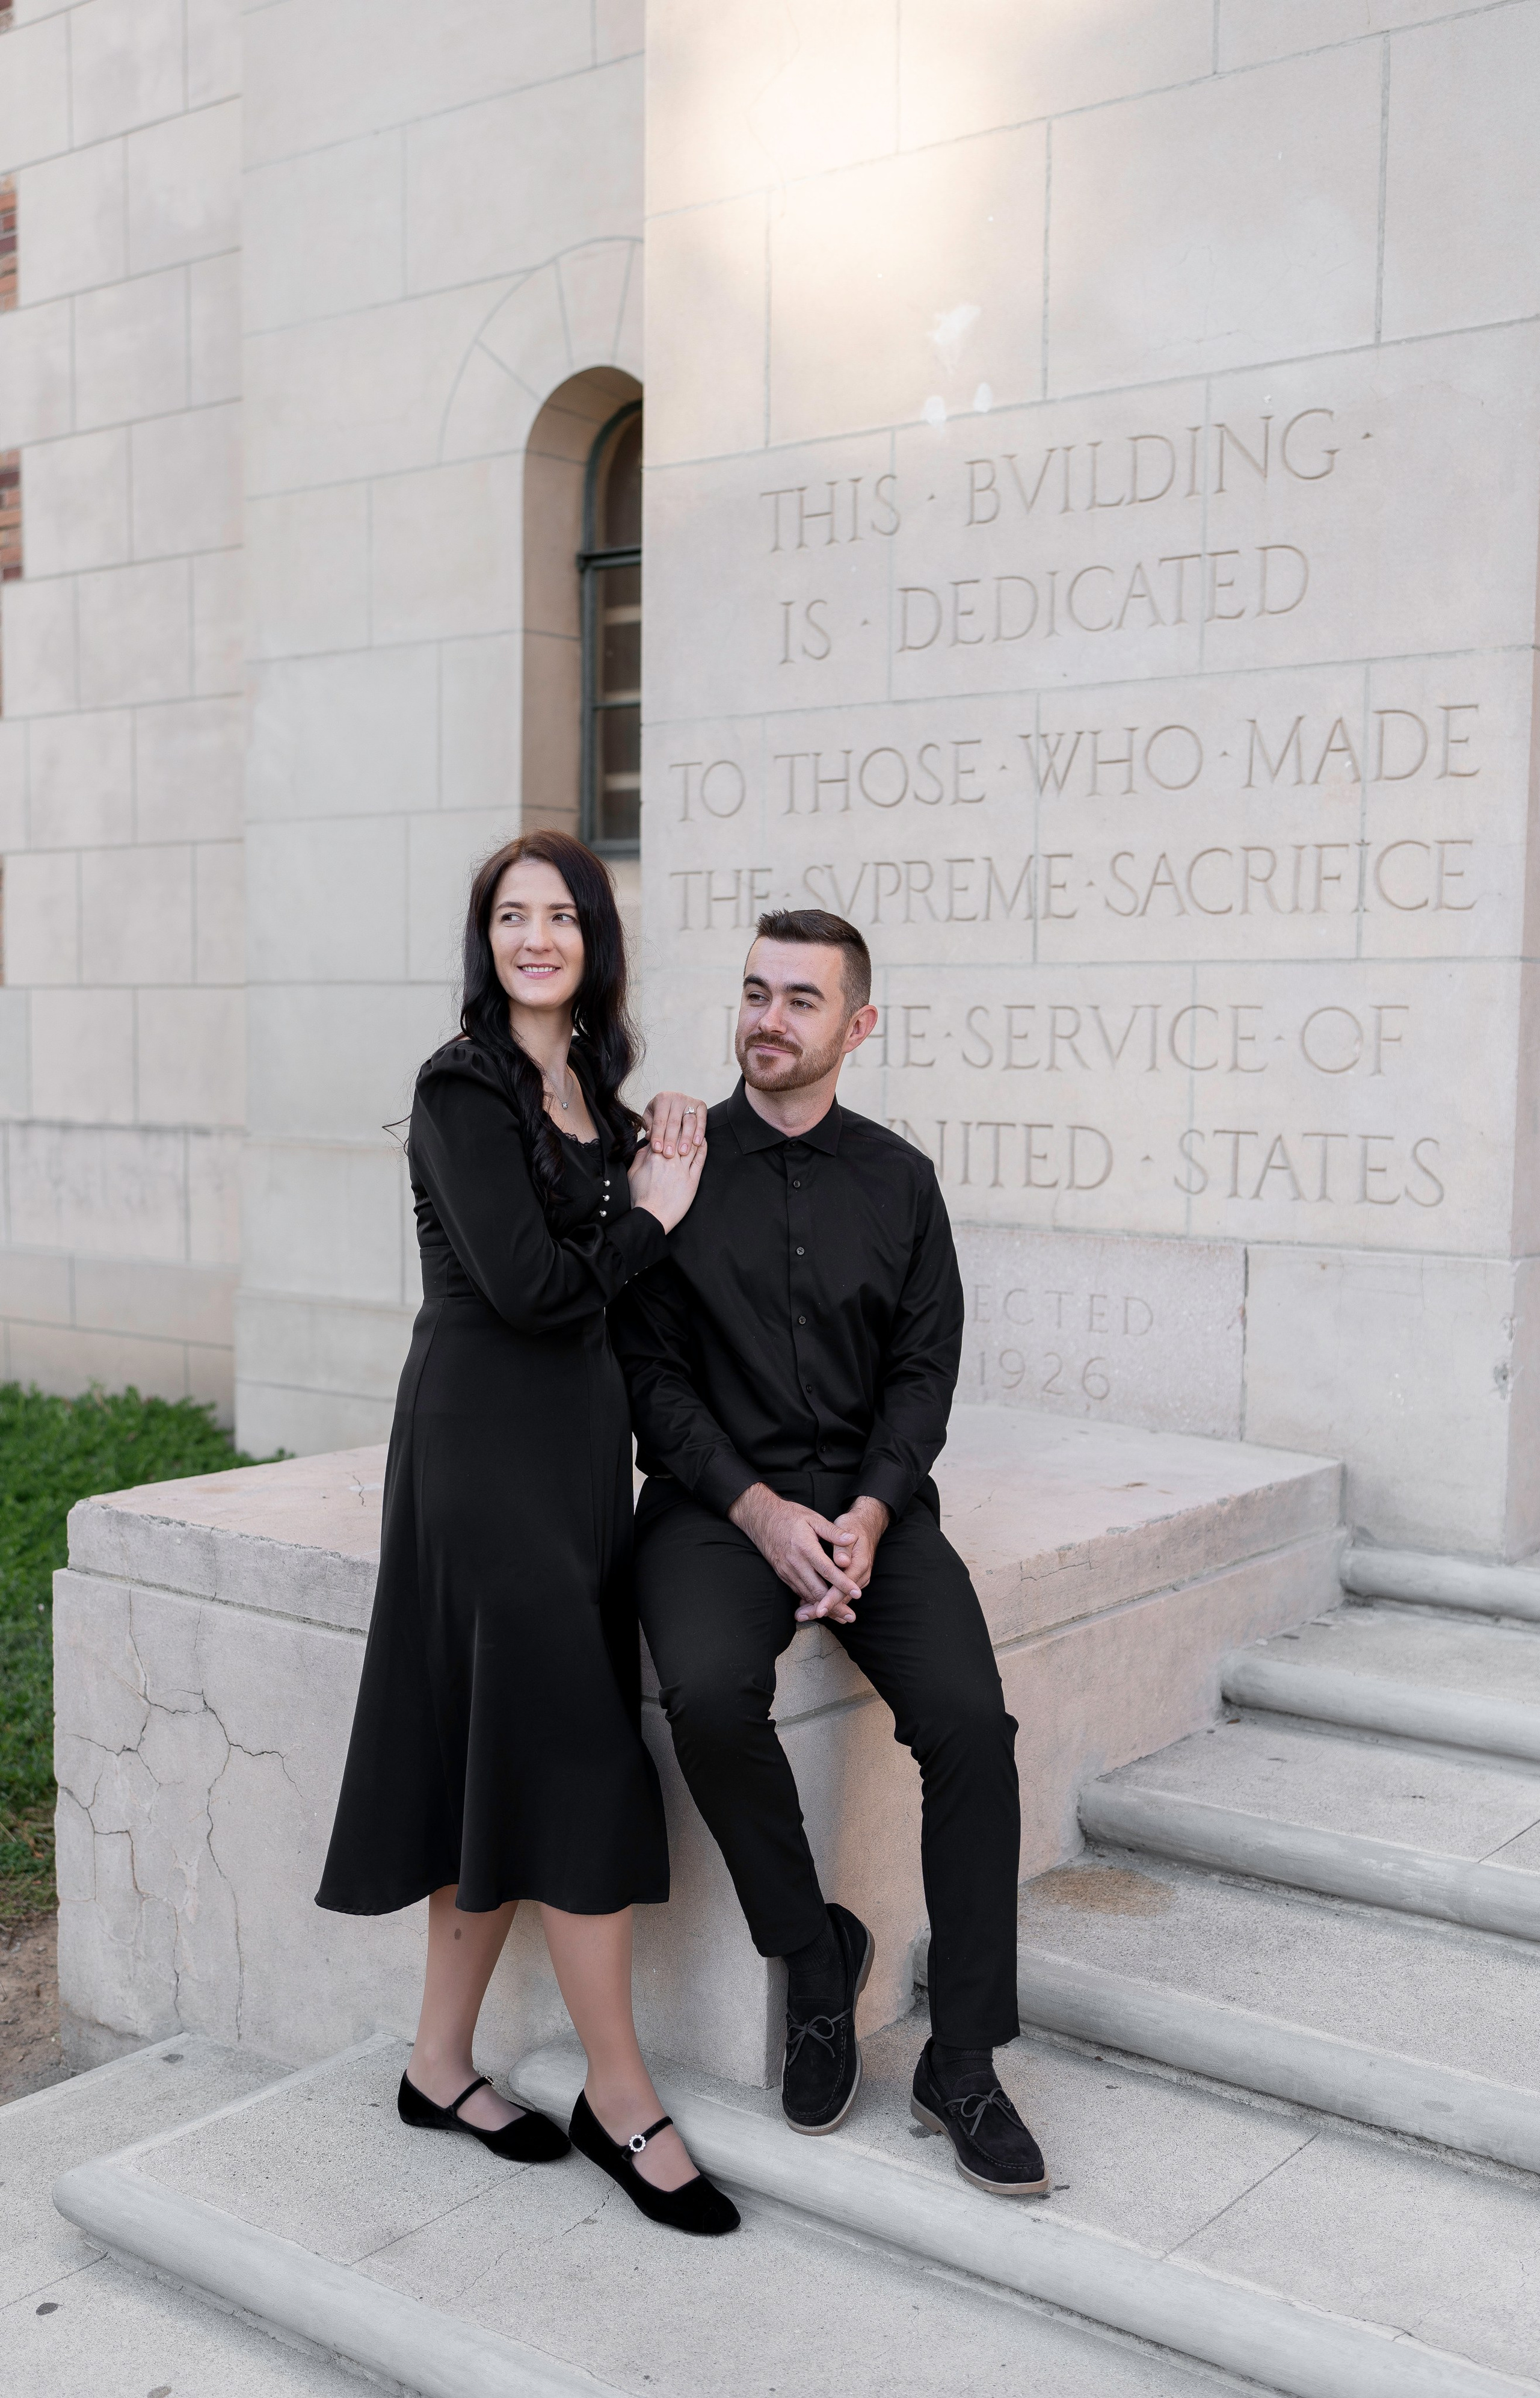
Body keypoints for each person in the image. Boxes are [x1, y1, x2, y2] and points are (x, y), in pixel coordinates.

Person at [316, 830, 738, 2237]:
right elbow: (536, 1288)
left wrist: (658, 1151)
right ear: (485, 939)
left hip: (572, 1457)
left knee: (494, 1750)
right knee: (571, 1754)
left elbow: (621, 1267)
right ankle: (624, 2098)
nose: (537, 935)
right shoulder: (461, 1084)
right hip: (480, 1448)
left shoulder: (590, 1096)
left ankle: (437, 2066)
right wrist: (652, 1211)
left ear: (593, 941)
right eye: (513, 914)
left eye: (562, 914)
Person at [609, 907, 1046, 2197]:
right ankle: (812, 1953)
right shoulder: (675, 1165)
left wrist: (863, 1513)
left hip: (871, 1507)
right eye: (753, 991)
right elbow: (649, 1375)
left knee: (971, 1724)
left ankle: (959, 2058)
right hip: (711, 1504)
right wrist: (755, 1510)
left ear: (855, 1026)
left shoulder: (901, 1181)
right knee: (702, 1697)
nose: (767, 1018)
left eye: (800, 999)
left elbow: (923, 1372)